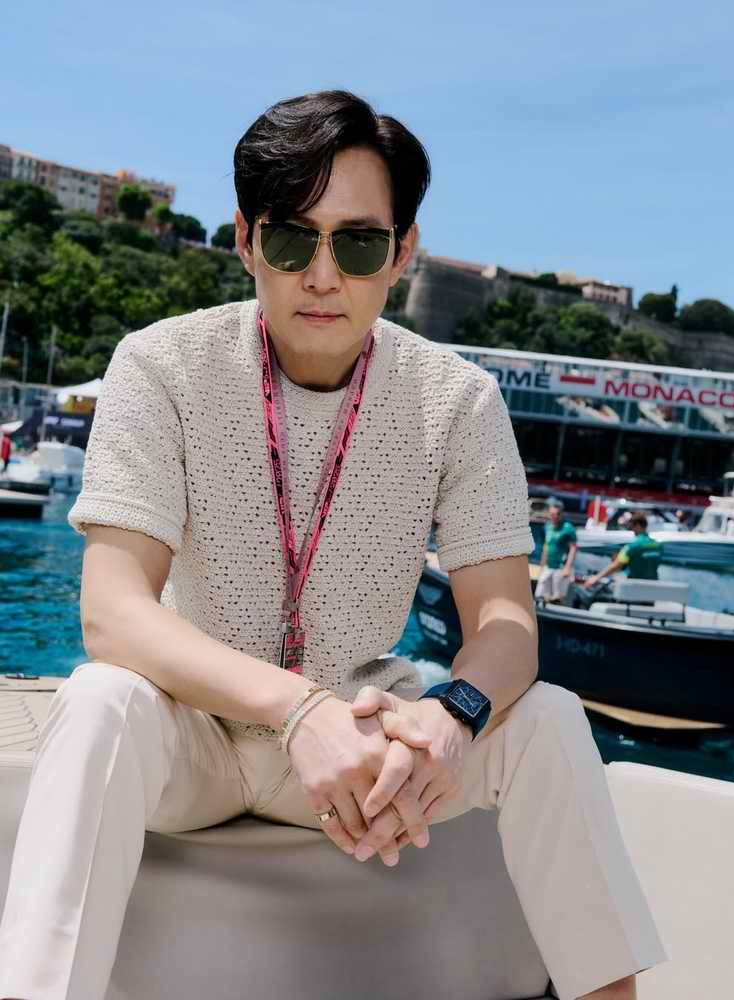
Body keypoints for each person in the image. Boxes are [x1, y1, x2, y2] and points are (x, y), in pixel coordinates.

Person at [0, 91, 664, 1000]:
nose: (321, 276)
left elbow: (506, 622)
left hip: (361, 731)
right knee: (99, 699)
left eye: (356, 244)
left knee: (547, 719)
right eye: (290, 240)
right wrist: (296, 710)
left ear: (401, 252)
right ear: (245, 241)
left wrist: (453, 714)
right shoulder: (160, 365)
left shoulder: (457, 400)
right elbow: (113, 615)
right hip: (197, 728)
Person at [585, 512, 662, 588]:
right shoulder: (657, 545)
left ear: (638, 526)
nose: (632, 530)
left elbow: (615, 565)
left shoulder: (633, 546)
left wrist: (596, 578)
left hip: (635, 587)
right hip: (652, 586)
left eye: (632, 527)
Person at [534, 498, 578, 604]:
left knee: (556, 598)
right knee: (540, 594)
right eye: (552, 514)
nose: (554, 517)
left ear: (561, 514)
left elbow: (573, 548)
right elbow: (546, 546)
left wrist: (568, 567)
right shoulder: (547, 527)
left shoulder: (568, 528)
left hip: (560, 567)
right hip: (548, 566)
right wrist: (542, 565)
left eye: (557, 514)